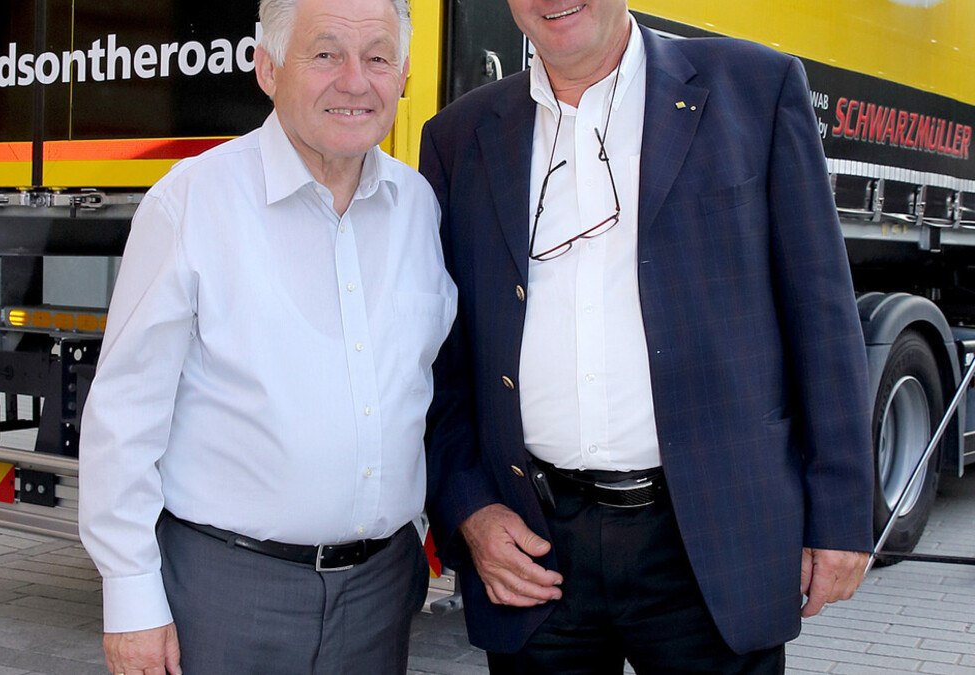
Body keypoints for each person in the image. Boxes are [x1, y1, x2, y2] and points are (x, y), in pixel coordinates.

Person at [419, 1, 873, 671]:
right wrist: (470, 508)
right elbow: (443, 358)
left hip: (707, 542)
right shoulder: (459, 136)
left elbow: (822, 314)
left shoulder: (753, 88)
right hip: (535, 547)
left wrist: (839, 516)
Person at [78, 0, 456, 672]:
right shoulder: (191, 202)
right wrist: (131, 597)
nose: (354, 81)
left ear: (401, 76)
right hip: (227, 592)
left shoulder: (418, 209)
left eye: (377, 58)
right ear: (267, 68)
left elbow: (428, 386)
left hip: (380, 593)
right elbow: (125, 414)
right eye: (325, 54)